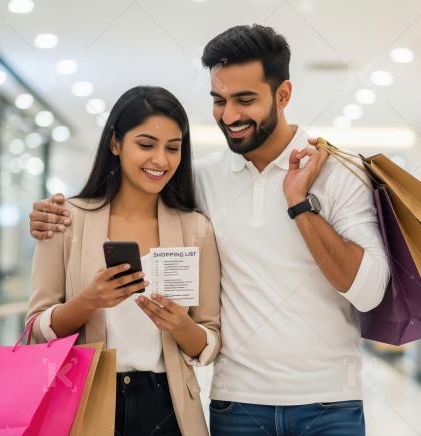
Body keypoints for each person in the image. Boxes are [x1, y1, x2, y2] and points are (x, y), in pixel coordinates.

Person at [30, 25, 390, 435]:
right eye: (219, 101)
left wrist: (300, 203)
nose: (230, 115)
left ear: (283, 95)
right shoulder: (200, 183)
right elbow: (127, 195)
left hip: (329, 402)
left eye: (245, 100)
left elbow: (369, 291)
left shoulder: (339, 173)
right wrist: (50, 216)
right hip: (237, 403)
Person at [25, 86, 221, 436]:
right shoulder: (65, 219)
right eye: (146, 145)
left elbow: (209, 341)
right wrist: (89, 301)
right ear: (115, 143)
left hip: (169, 406)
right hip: (85, 401)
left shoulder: (196, 229)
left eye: (172, 148)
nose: (160, 160)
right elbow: (37, 329)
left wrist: (179, 324)